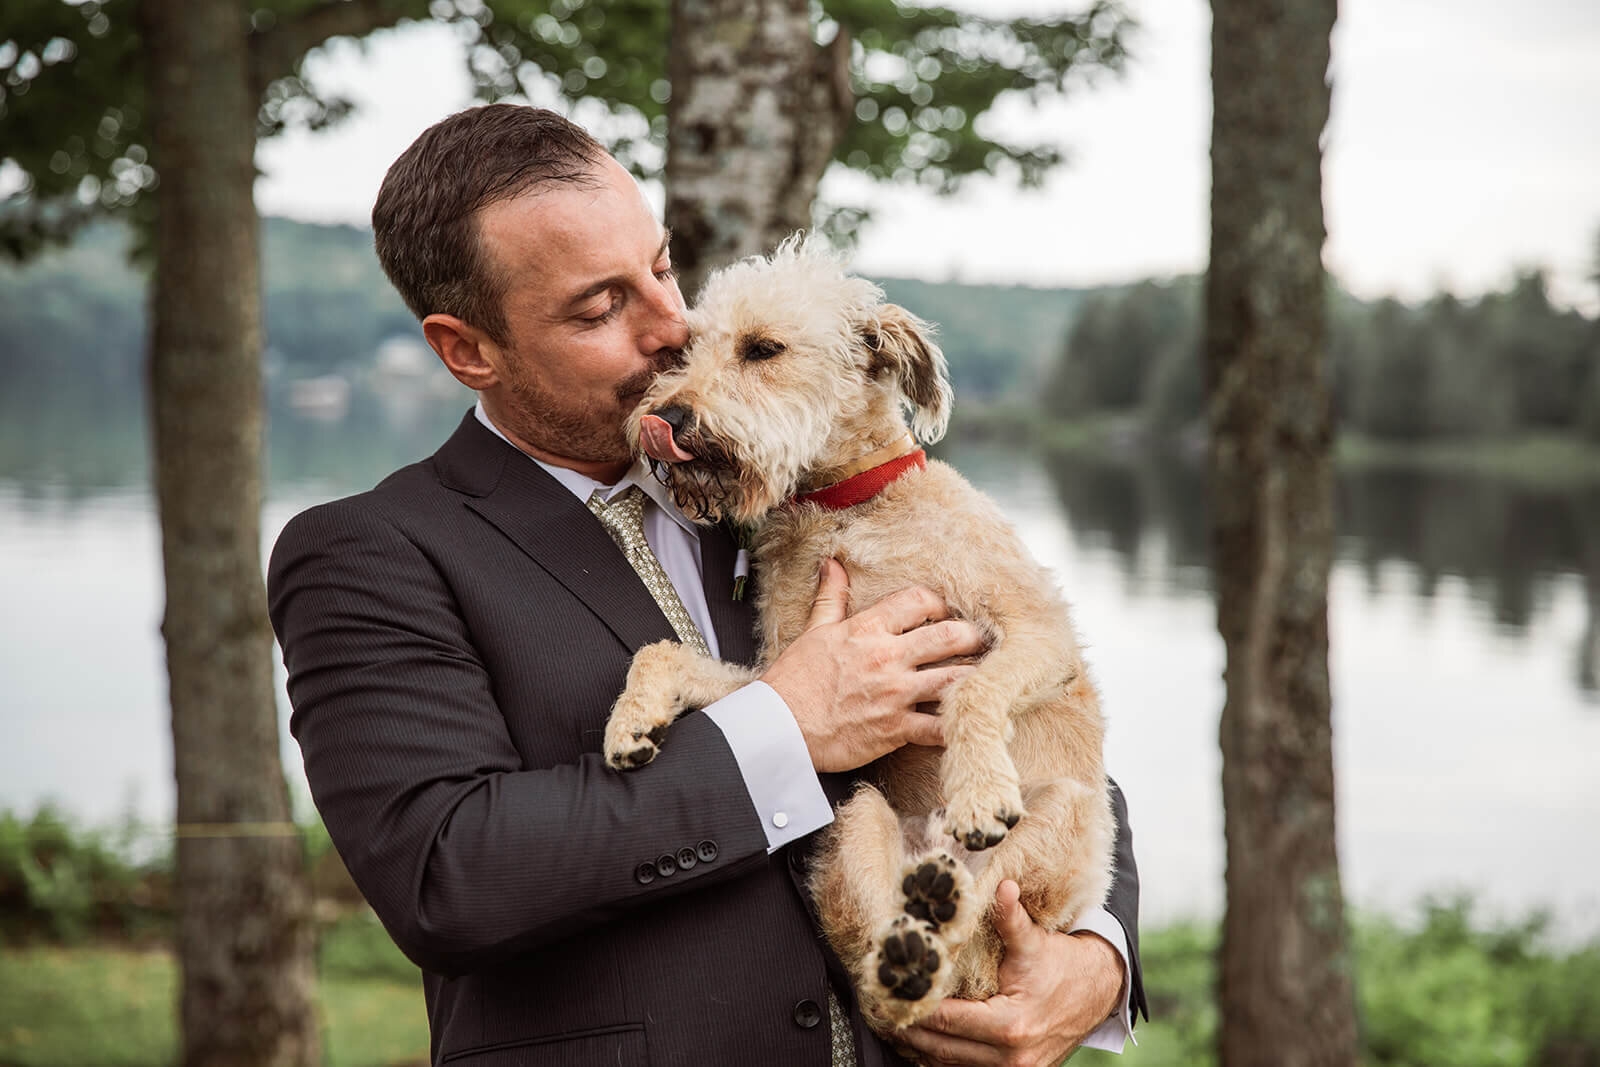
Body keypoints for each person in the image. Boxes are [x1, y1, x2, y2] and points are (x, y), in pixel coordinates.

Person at [268, 104, 1147, 1067]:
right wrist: (783, 726)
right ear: (468, 349)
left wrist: (1095, 958)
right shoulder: (369, 553)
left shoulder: (788, 485)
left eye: (660, 269)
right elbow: (450, 874)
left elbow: (1050, 731)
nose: (671, 329)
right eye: (601, 308)